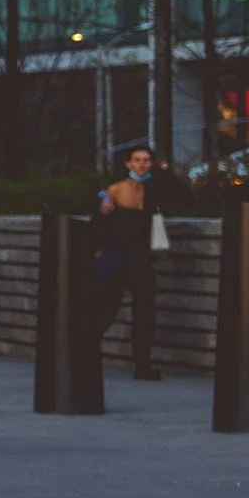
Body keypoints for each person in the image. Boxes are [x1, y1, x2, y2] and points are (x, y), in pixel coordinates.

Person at [94, 144, 188, 380]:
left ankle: (142, 363)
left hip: (141, 257)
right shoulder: (116, 188)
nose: (141, 164)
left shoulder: (156, 186)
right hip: (118, 255)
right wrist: (103, 215)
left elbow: (183, 194)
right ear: (128, 163)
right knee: (106, 307)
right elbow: (98, 223)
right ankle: (85, 352)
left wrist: (165, 171)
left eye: (146, 160)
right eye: (137, 160)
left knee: (144, 311)